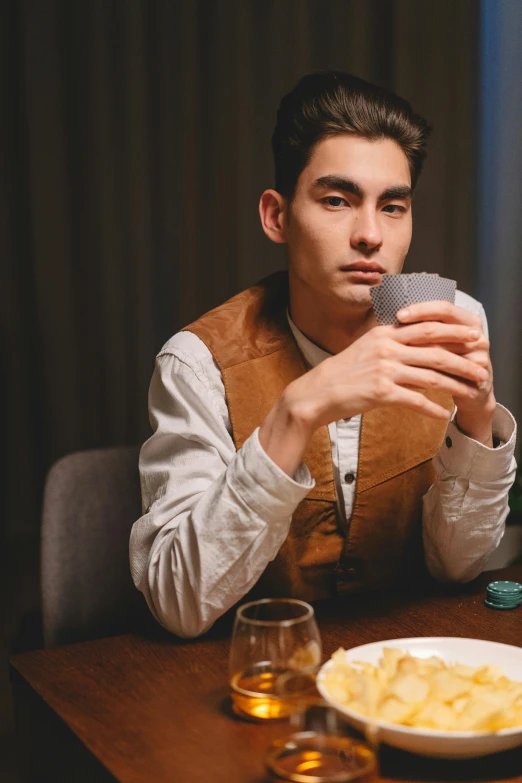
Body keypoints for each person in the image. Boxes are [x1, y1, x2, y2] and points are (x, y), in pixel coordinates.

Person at [130, 71, 517, 638]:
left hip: (407, 668)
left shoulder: (452, 323)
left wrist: (479, 421)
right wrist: (295, 413)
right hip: (262, 673)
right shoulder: (198, 362)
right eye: (337, 200)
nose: (369, 235)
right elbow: (178, 606)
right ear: (277, 216)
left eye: (392, 207)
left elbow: (458, 567)